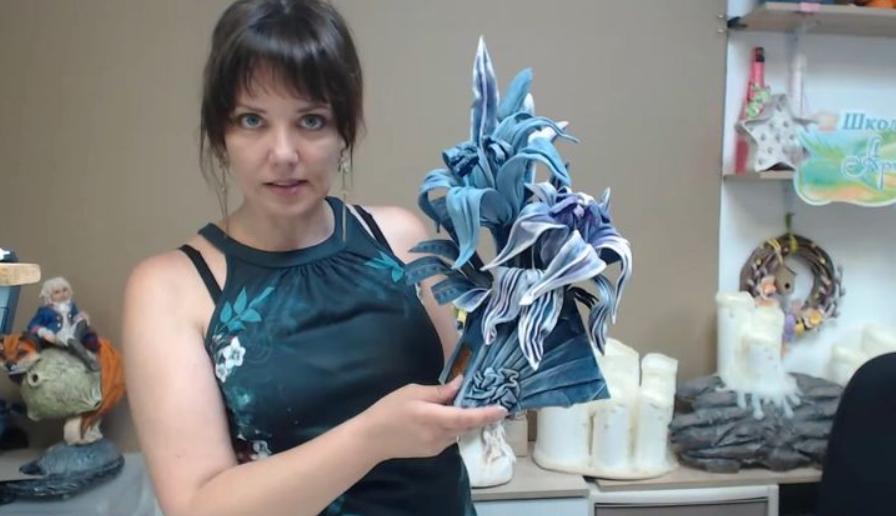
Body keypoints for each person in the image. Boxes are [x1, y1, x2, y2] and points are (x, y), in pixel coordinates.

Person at [122, 1, 506, 516]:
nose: (283, 153)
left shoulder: (400, 238)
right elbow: (196, 505)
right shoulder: (170, 288)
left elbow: (469, 383)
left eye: (310, 120)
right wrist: (372, 438)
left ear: (343, 131)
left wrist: (529, 298)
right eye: (253, 120)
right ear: (221, 135)